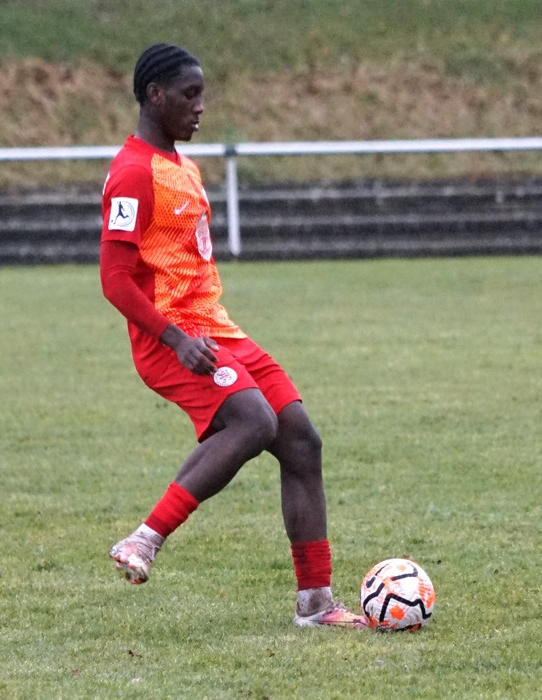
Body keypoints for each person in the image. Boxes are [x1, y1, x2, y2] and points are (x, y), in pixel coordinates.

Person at [99, 43, 365, 629]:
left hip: (216, 329)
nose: (201, 107)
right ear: (155, 96)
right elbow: (114, 280)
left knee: (301, 440)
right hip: (172, 340)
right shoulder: (133, 172)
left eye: (203, 95)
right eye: (189, 95)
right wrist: (175, 339)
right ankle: (145, 538)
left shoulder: (182, 166)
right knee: (253, 422)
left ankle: (315, 604)